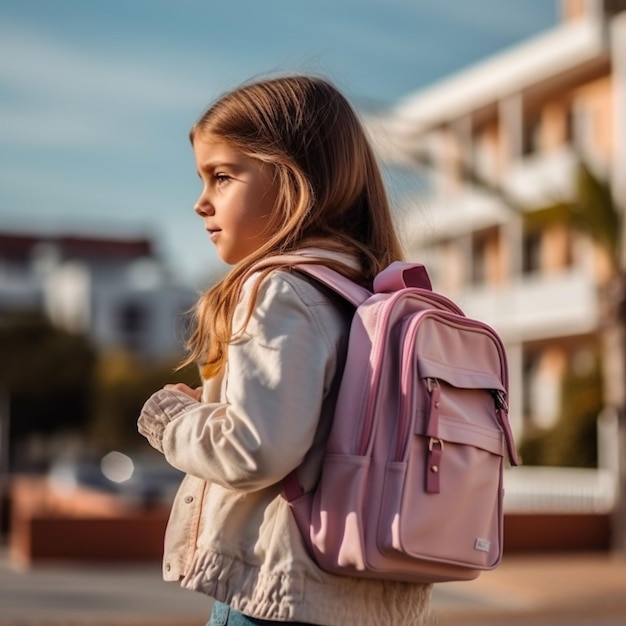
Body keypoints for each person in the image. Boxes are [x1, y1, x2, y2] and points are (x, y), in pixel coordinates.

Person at [137, 74, 433, 626]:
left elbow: (254, 450)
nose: (201, 203)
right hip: (372, 593)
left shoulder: (282, 291)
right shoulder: (369, 294)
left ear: (294, 181)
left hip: (280, 596)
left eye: (222, 176)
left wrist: (171, 418)